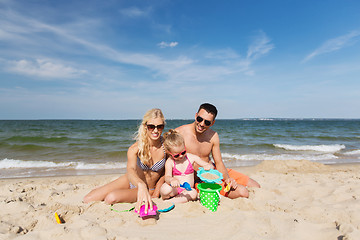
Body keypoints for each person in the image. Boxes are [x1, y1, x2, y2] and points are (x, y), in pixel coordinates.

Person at [83, 108, 166, 213]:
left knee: (110, 198)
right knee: (88, 199)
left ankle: (116, 192)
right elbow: (130, 170)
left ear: (163, 126)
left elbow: (168, 169)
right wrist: (140, 184)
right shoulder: (135, 148)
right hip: (133, 182)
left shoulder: (166, 146)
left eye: (159, 126)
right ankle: (102, 189)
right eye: (151, 127)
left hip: (149, 189)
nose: (155, 130)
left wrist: (157, 188)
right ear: (145, 126)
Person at [176, 103, 260, 199]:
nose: (202, 124)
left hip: (215, 172)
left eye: (207, 122)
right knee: (243, 192)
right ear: (196, 116)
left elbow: (218, 162)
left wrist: (227, 178)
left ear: (212, 123)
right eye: (200, 119)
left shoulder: (213, 136)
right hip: (199, 180)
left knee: (256, 186)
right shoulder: (180, 133)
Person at [159, 129, 214, 203]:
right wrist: (172, 180)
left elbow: (209, 165)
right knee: (165, 189)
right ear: (169, 153)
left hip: (187, 190)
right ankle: (169, 199)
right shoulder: (170, 162)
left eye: (183, 152)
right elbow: (167, 177)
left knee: (193, 194)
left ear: (184, 147)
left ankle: (170, 201)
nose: (181, 156)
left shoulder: (191, 157)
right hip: (175, 189)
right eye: (176, 155)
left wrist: (208, 166)